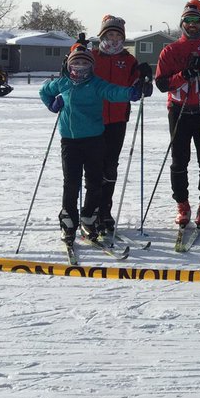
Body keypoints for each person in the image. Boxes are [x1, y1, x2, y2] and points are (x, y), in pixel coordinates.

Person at [40, 43, 141, 246]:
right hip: (69, 141)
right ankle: (68, 222)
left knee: (94, 182)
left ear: (91, 67)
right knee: (71, 182)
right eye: (75, 63)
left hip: (94, 139)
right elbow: (44, 91)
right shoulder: (63, 83)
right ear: (69, 66)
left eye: (84, 63)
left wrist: (130, 93)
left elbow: (113, 92)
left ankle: (89, 218)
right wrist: (52, 105)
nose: (79, 67)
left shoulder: (96, 84)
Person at [154, 0, 200, 230]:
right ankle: (182, 204)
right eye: (188, 20)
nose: (192, 24)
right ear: (182, 23)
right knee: (179, 160)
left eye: (196, 21)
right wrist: (184, 74)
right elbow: (162, 83)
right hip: (180, 110)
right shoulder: (171, 50)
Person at [89, 14, 146, 237]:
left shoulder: (129, 60)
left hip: (118, 121)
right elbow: (74, 74)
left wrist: (144, 80)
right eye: (109, 34)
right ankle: (90, 212)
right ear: (102, 35)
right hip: (92, 120)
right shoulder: (92, 57)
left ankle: (105, 212)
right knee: (94, 169)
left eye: (117, 35)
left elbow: (136, 88)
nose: (113, 39)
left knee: (110, 167)